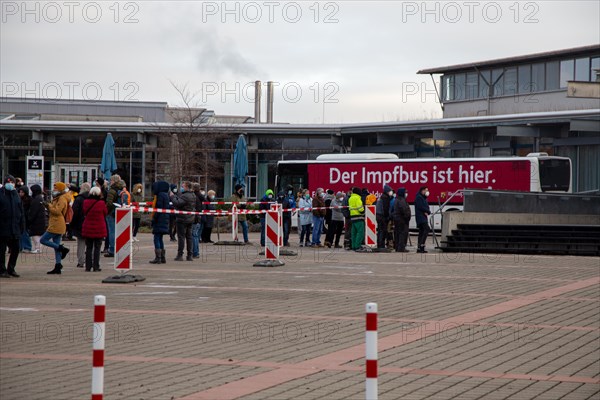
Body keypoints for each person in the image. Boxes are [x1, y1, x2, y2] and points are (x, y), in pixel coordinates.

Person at [41, 181, 71, 275]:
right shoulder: (57, 198)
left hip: (57, 223)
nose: (54, 190)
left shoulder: (62, 198)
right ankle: (58, 265)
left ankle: (62, 248)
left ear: (60, 189)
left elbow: (57, 211)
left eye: (55, 188)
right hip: (56, 222)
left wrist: (48, 205)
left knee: (43, 240)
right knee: (56, 246)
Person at [0, 175, 25, 278]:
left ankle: (11, 268)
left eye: (12, 182)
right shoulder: (1, 194)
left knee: (16, 248)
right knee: (1, 251)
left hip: (14, 227)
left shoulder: (16, 195)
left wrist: (22, 225)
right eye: (8, 182)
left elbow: (21, 211)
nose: (10, 184)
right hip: (2, 228)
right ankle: (2, 270)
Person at [81, 186, 107, 271]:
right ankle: (96, 266)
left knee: (88, 247)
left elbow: (84, 212)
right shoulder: (101, 203)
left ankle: (88, 267)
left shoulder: (85, 202)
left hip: (88, 227)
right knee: (97, 248)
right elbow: (105, 213)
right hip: (99, 227)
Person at [170, 181, 196, 261]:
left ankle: (180, 255)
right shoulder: (192, 195)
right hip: (190, 218)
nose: (181, 187)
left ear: (186, 187)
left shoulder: (185, 196)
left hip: (182, 218)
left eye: (182, 186)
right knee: (189, 237)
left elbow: (177, 203)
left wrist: (173, 197)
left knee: (181, 237)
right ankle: (189, 255)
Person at [70, 182, 91, 268]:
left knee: (81, 244)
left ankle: (81, 261)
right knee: (90, 244)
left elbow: (74, 213)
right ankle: (91, 260)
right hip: (90, 223)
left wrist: (72, 224)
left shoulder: (79, 199)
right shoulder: (92, 199)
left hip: (80, 224)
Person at [149, 181, 170, 264]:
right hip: (164, 219)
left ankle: (158, 257)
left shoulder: (160, 195)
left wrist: (154, 219)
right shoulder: (165, 195)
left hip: (160, 220)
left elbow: (158, 209)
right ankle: (162, 257)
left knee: (156, 238)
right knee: (160, 238)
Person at [104, 174, 123, 257]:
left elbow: (109, 202)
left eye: (111, 180)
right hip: (119, 212)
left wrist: (106, 211)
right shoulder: (121, 189)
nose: (109, 182)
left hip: (111, 213)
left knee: (111, 231)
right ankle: (118, 248)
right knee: (118, 231)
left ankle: (112, 249)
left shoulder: (112, 190)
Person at [27, 184, 47, 254]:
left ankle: (37, 248)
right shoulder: (40, 198)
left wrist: (29, 219)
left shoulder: (36, 199)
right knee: (38, 235)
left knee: (36, 235)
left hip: (36, 220)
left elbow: (33, 211)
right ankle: (38, 248)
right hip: (40, 220)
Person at [392, 188, 411, 252]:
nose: (406, 194)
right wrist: (407, 216)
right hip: (402, 219)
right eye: (405, 192)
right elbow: (404, 210)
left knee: (397, 234)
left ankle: (397, 247)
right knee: (402, 234)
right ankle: (401, 248)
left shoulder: (397, 199)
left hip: (397, 219)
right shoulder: (401, 200)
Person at [376, 184, 393, 249]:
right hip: (382, 216)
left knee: (380, 231)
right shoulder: (385, 198)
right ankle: (381, 245)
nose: (391, 192)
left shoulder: (382, 197)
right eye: (390, 191)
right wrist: (387, 217)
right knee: (382, 231)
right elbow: (386, 209)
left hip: (379, 215)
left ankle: (379, 245)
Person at [415, 186, 431, 253]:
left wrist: (427, 211)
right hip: (420, 217)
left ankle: (420, 247)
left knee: (421, 231)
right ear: (422, 191)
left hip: (423, 217)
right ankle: (421, 245)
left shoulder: (424, 198)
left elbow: (426, 206)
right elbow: (421, 207)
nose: (427, 192)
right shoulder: (419, 197)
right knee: (426, 229)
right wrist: (427, 211)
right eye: (426, 190)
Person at [17, 186, 33, 253]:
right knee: (19, 234)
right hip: (20, 218)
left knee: (25, 233)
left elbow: (30, 210)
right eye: (20, 192)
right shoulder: (18, 199)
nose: (20, 193)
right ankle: (20, 247)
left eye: (22, 192)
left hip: (25, 219)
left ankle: (27, 247)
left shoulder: (29, 199)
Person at [191, 183, 205, 257]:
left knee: (193, 235)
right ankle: (196, 252)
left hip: (194, 217)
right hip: (198, 217)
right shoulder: (200, 196)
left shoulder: (194, 196)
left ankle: (194, 252)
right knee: (196, 235)